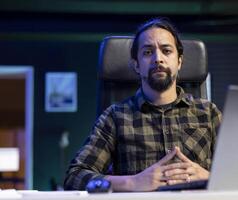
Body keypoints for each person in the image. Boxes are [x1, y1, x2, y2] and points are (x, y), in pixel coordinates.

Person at [64, 18, 222, 192]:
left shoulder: (208, 113)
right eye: (148, 52)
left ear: (179, 62)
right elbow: (75, 176)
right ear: (136, 65)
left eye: (166, 51)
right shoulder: (115, 117)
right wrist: (133, 182)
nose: (158, 59)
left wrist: (209, 177)